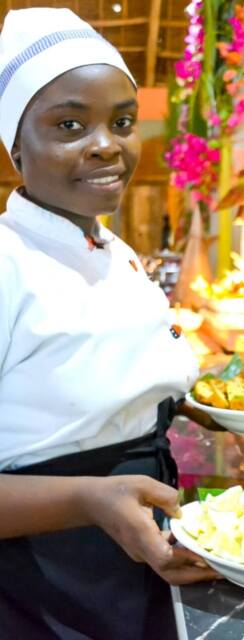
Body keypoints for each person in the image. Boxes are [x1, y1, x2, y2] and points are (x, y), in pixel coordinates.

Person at [0, 7, 217, 639]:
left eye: (122, 122)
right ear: (15, 144)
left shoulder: (111, 250)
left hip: (132, 551)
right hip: (39, 575)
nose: (106, 144)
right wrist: (88, 500)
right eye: (70, 124)